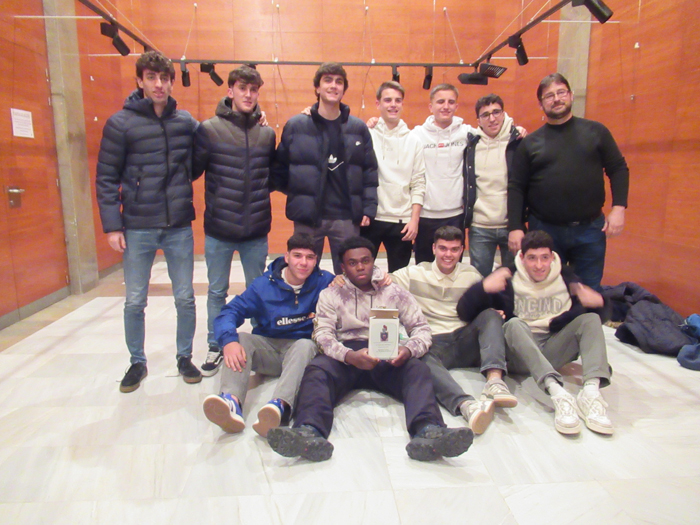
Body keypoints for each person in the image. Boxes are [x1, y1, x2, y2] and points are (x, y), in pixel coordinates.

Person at [267, 237, 473, 462]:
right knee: (316, 371)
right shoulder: (330, 294)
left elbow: (421, 328)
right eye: (352, 263)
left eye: (365, 261)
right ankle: (308, 431)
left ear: (373, 261)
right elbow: (322, 335)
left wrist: (408, 350)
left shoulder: (394, 292)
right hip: (346, 354)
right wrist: (348, 356)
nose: (360, 267)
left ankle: (429, 431)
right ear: (343, 267)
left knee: (418, 369)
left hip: (387, 353)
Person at [96, 50, 201, 393]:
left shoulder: (184, 122)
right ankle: (137, 362)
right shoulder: (120, 123)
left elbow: (209, 144)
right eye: (152, 78)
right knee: (135, 300)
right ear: (140, 81)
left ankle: (184, 357)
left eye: (164, 78)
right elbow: (106, 177)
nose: (159, 84)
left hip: (178, 225)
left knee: (185, 297)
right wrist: (113, 225)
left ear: (171, 82)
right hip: (138, 225)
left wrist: (259, 119)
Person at [458, 230, 614, 435]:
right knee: (514, 324)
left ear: (552, 257)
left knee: (591, 319)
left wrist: (600, 303)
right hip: (519, 351)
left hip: (553, 346)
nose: (539, 265)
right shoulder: (507, 277)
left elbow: (596, 319)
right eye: (532, 258)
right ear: (522, 257)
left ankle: (591, 393)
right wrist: (482, 288)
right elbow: (464, 312)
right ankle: (557, 393)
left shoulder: (566, 278)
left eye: (544, 258)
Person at [203, 234, 334, 437]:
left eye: (310, 257)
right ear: (287, 257)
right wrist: (228, 341)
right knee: (241, 339)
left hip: (300, 353)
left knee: (306, 344)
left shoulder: (324, 281)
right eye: (297, 256)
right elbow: (230, 312)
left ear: (316, 260)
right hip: (269, 349)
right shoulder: (263, 286)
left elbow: (356, 287)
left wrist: (380, 278)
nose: (303, 263)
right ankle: (231, 402)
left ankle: (279, 407)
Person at [508, 73, 629, 291]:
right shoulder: (530, 144)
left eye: (561, 92)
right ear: (541, 104)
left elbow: (618, 168)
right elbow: (516, 186)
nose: (556, 99)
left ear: (571, 95)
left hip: (590, 229)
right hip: (544, 230)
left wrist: (619, 208)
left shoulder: (596, 132)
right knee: (546, 291)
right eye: (549, 96)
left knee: (587, 291)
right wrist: (516, 227)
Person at [391, 226, 517, 435]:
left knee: (491, 315)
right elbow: (382, 280)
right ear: (433, 248)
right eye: (443, 248)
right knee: (417, 355)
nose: (448, 254)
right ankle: (466, 405)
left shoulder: (471, 274)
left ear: (461, 251)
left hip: (464, 338)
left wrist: (495, 309)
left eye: (454, 249)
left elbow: (494, 304)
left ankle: (495, 381)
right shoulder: (414, 273)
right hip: (434, 341)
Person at [193, 65, 276, 376]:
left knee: (258, 290)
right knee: (217, 291)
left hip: (256, 229)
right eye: (242, 88)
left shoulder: (266, 134)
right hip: (219, 229)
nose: (248, 94)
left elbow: (272, 175)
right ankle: (216, 344)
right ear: (230, 91)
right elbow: (192, 170)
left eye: (253, 89)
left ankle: (260, 344)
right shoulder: (209, 129)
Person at [272, 62, 378, 274]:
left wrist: (368, 208)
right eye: (327, 80)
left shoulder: (358, 128)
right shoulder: (296, 126)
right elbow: (280, 168)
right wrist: (299, 193)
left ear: (344, 89)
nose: (333, 85)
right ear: (317, 87)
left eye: (339, 82)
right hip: (308, 217)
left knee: (349, 277)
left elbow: (369, 172)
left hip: (346, 218)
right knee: (303, 275)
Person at [361, 81, 425, 272]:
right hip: (371, 218)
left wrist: (414, 220)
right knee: (362, 274)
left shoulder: (414, 140)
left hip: (401, 221)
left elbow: (418, 182)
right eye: (388, 100)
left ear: (402, 104)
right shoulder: (367, 134)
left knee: (398, 278)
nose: (393, 105)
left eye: (398, 100)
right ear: (378, 104)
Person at [411, 84, 475, 264]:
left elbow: (493, 132)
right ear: (431, 106)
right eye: (440, 102)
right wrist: (375, 124)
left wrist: (515, 129)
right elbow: (395, 137)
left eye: (451, 102)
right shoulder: (417, 134)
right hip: (425, 215)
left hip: (455, 215)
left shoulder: (467, 133)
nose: (446, 106)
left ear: (456, 106)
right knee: (424, 267)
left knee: (451, 265)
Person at [464, 94, 522, 277]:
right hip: (480, 226)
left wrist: (518, 225)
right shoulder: (472, 146)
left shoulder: (517, 143)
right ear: (478, 121)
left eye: (496, 112)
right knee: (480, 281)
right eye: (485, 115)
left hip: (511, 226)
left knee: (514, 279)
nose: (492, 118)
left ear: (503, 114)